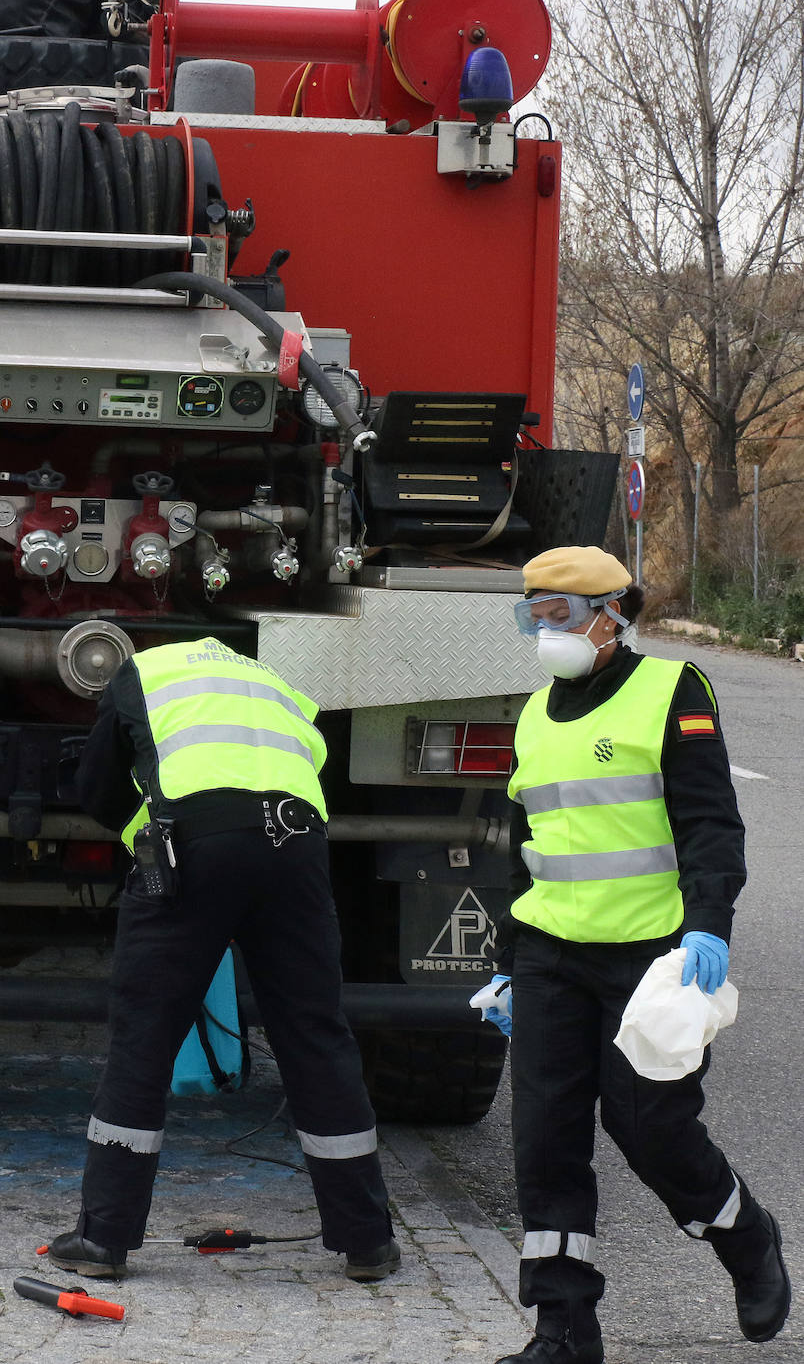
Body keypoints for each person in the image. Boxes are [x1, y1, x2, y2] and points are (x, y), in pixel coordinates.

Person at [477, 546, 790, 1364]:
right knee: (544, 1140)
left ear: (615, 616)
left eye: (564, 615)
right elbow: (524, 845)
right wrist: (509, 957)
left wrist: (709, 924)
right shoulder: (535, 712)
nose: (548, 632)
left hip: (650, 955)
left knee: (650, 1127)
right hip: (551, 954)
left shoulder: (670, 692)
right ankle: (563, 1329)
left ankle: (746, 1237)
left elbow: (711, 823)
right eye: (534, 615)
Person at [45, 635, 400, 1283]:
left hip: (196, 843)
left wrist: (146, 836)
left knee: (145, 1037)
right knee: (316, 1035)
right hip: (296, 841)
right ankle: (367, 1241)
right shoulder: (271, 682)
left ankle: (104, 1238)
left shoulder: (137, 673)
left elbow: (96, 791)